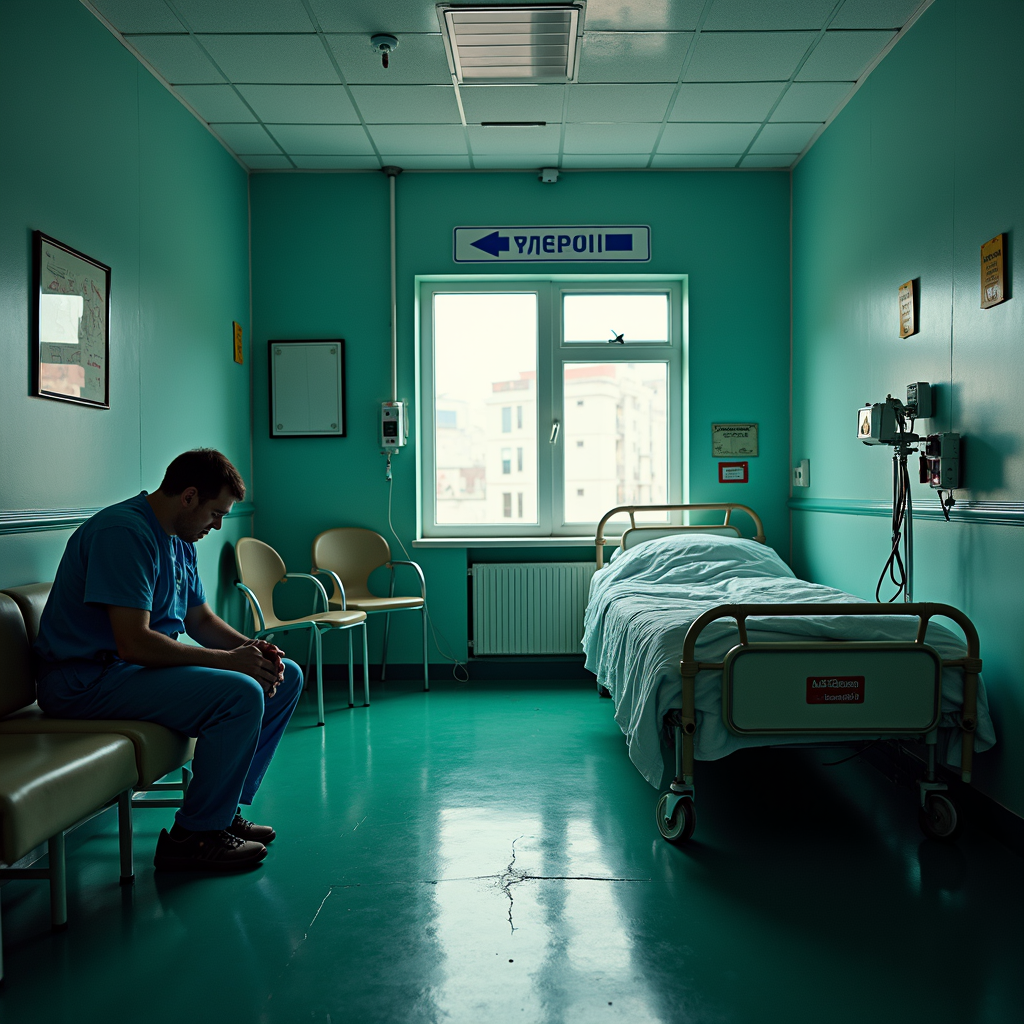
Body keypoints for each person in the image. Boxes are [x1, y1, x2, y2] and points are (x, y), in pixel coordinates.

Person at [34, 449, 303, 872]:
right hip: (84, 680)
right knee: (241, 693)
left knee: (284, 679)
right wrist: (233, 663)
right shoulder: (123, 533)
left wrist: (253, 650)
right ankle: (193, 837)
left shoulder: (179, 538)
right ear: (189, 497)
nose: (216, 526)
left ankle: (222, 811)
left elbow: (199, 619)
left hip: (132, 672)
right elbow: (133, 644)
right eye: (216, 513)